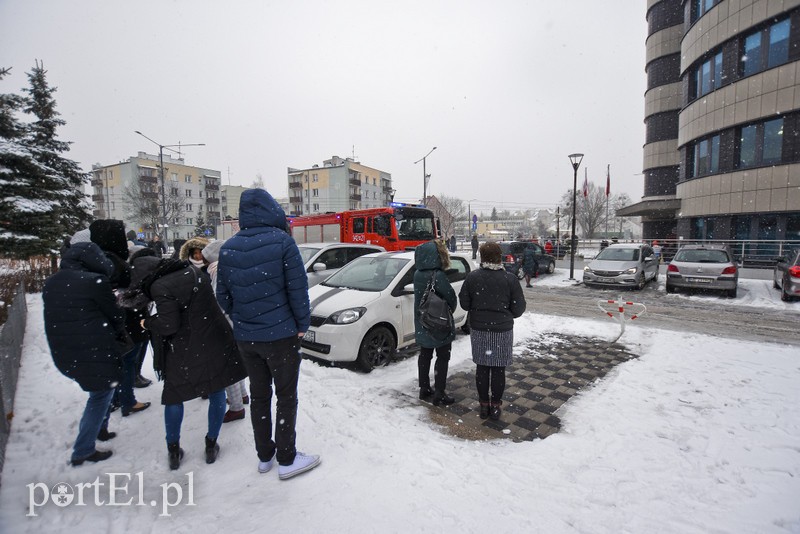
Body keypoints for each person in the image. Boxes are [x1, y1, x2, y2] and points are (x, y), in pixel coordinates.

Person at [216, 188, 321, 480]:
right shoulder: (283, 243)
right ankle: (287, 459)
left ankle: (265, 457)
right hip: (281, 337)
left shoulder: (228, 248)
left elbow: (222, 297)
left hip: (247, 339)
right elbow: (298, 292)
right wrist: (301, 324)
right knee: (286, 396)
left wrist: (244, 318)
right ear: (271, 209)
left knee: (260, 397)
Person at [139, 253, 247, 470]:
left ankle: (173, 449)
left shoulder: (160, 286)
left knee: (174, 396)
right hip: (213, 339)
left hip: (183, 348)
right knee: (216, 389)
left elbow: (169, 325)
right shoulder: (194, 272)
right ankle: (211, 444)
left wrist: (147, 323)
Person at [43, 234, 126, 466]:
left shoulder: (52, 282)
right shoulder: (94, 283)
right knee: (100, 396)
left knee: (100, 390)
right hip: (94, 348)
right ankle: (84, 449)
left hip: (66, 350)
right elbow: (115, 315)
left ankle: (101, 428)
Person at [458, 241, 526, 421]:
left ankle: (483, 405)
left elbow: (464, 303)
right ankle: (495, 406)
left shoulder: (473, 277)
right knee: (498, 369)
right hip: (502, 331)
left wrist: (478, 309)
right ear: (499, 257)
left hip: (480, 329)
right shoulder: (509, 278)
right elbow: (519, 308)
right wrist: (504, 314)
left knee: (482, 367)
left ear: (482, 256)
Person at [201, 239, 250, 424]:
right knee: (236, 361)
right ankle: (243, 396)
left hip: (226, 325)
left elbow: (219, 302)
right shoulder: (234, 267)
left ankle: (236, 407)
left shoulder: (216, 270)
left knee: (227, 368)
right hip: (237, 323)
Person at [413, 239, 458, 406]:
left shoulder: (417, 273)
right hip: (438, 323)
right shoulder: (437, 275)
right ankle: (439, 392)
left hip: (423, 321)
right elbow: (451, 298)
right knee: (443, 356)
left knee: (425, 355)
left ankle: (424, 388)